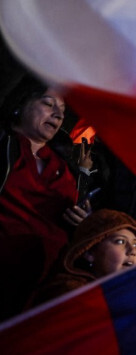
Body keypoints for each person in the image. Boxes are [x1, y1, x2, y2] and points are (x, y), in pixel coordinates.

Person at [0, 75, 89, 320]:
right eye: (48, 104)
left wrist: (82, 222)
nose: (59, 115)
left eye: (62, 110)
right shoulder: (3, 147)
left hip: (48, 289)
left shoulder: (65, 169)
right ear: (20, 104)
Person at [31, 209, 136, 306]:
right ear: (89, 253)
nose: (132, 251)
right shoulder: (69, 294)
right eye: (120, 241)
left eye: (135, 244)